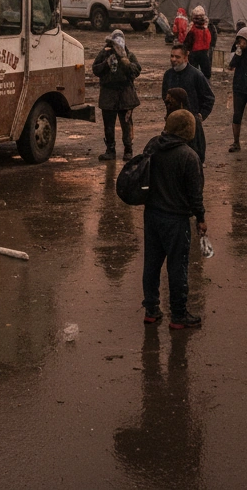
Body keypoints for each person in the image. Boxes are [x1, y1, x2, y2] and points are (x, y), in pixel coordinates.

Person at [140, 110, 206, 329]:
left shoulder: (152, 146)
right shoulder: (189, 156)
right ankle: (178, 315)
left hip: (152, 215)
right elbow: (195, 194)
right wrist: (201, 218)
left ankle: (151, 309)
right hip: (176, 220)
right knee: (177, 267)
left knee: (151, 263)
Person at [161, 45, 214, 165]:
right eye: (172, 56)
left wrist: (201, 115)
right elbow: (165, 95)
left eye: (177, 57)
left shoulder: (196, 75)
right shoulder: (168, 75)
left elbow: (209, 98)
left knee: (194, 159)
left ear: (186, 58)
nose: (173, 59)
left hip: (192, 123)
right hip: (172, 122)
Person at [93, 30, 141, 161]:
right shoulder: (105, 53)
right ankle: (110, 150)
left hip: (125, 96)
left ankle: (128, 150)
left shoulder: (129, 55)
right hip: (108, 96)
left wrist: (125, 62)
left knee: (126, 125)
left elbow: (136, 71)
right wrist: (106, 63)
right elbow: (95, 69)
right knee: (108, 125)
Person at [183, 6, 212, 78]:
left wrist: (186, 50)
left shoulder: (192, 28)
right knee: (205, 73)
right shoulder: (206, 28)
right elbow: (210, 40)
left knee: (194, 72)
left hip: (194, 51)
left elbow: (187, 41)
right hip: (203, 52)